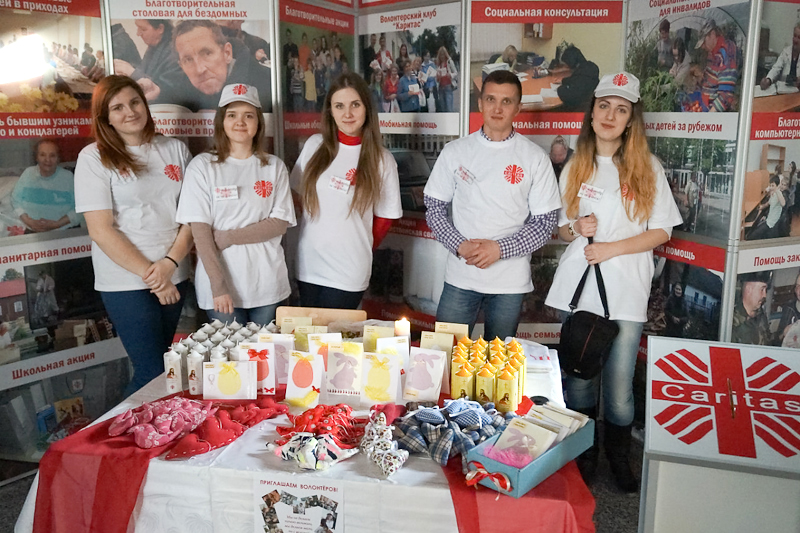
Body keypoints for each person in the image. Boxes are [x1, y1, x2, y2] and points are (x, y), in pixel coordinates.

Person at [544, 72, 682, 492]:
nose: (609, 115)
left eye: (621, 109)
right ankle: (585, 458)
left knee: (620, 387)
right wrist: (576, 228)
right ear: (592, 113)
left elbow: (662, 231)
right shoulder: (577, 165)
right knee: (580, 377)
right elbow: (561, 229)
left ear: (630, 120)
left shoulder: (647, 167)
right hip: (581, 290)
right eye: (604, 106)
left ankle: (619, 460)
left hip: (626, 292)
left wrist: (610, 248)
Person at [74, 75, 193, 395]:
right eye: (118, 108)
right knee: (151, 373)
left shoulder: (174, 149)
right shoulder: (93, 157)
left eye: (135, 102)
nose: (130, 111)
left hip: (174, 272)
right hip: (126, 281)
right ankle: (116, 428)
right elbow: (100, 230)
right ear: (106, 117)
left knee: (162, 370)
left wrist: (169, 265)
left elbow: (192, 217)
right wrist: (154, 276)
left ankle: (151, 427)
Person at [424, 70, 560, 341]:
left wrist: (499, 249)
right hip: (461, 277)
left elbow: (545, 223)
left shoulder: (534, 158)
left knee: (497, 361)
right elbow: (434, 209)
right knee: (444, 353)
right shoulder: (455, 151)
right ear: (480, 103)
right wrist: (459, 245)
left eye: (506, 101)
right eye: (491, 99)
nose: (497, 108)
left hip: (509, 283)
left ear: (518, 108)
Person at [177, 84, 295, 325]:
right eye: (232, 115)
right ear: (222, 121)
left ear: (258, 123)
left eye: (248, 115)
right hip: (220, 288)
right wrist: (218, 286)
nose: (240, 122)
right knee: (230, 350)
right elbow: (200, 231)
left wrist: (229, 237)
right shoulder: (202, 166)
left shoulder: (274, 166)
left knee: (264, 348)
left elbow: (279, 224)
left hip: (267, 284)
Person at [290, 73, 402, 309]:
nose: (347, 114)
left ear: (367, 108)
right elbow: (296, 196)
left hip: (348, 270)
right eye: (339, 106)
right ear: (330, 111)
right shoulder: (314, 145)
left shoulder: (382, 160)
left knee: (333, 332)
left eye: (355, 105)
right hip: (309, 265)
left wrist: (357, 245)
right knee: (307, 332)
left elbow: (385, 219)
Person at [174, 20, 272, 112]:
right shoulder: (178, 95)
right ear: (181, 66)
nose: (200, 69)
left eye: (207, 53)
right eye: (188, 60)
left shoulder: (270, 84)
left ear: (227, 53)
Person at [11, 139, 82, 233]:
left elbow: (80, 208)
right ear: (36, 157)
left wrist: (57, 224)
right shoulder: (28, 174)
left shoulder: (68, 177)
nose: (47, 160)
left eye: (52, 155)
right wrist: (29, 221)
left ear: (58, 158)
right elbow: (15, 201)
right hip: (31, 230)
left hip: (63, 232)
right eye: (42, 155)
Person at [113, 20, 188, 105]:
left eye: (143, 29)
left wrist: (132, 72)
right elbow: (145, 72)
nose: (138, 33)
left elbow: (165, 90)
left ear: (160, 28)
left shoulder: (174, 51)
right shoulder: (154, 45)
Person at [696, 19, 739, 112]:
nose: (702, 46)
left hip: (714, 111)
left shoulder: (727, 53)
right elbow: (711, 79)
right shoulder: (712, 52)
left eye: (704, 42)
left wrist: (710, 116)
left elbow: (726, 95)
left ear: (712, 34)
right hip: (703, 105)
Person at [732, 271, 771, 345]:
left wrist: (781, 335)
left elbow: (768, 341)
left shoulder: (761, 315)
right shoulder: (731, 319)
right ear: (749, 289)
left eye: (765, 290)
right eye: (762, 290)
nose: (764, 295)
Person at [557, 46, 599, 112]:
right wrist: (563, 81)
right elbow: (575, 79)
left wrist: (559, 89)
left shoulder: (581, 77)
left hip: (578, 110)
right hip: (589, 107)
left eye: (567, 64)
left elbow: (569, 96)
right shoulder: (588, 68)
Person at [761, 24, 800, 89]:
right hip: (783, 90)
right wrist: (768, 80)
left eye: (799, 37)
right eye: (795, 36)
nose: (795, 40)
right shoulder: (786, 52)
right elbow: (776, 68)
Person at [747, 175, 786, 240]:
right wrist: (761, 207)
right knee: (755, 228)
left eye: (773, 186)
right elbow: (768, 203)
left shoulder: (778, 193)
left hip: (771, 223)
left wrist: (777, 190)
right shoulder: (773, 194)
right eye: (770, 185)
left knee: (753, 235)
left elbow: (783, 203)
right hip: (768, 220)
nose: (771, 187)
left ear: (777, 186)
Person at [778, 272, 800, 346]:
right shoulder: (789, 309)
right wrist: (784, 333)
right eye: (797, 286)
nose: (799, 290)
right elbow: (776, 340)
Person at [436, 47, 458, 113]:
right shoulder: (439, 64)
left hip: (448, 86)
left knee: (449, 108)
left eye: (443, 54)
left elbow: (455, 72)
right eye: (441, 55)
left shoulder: (449, 62)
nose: (442, 56)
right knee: (443, 108)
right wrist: (438, 77)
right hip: (441, 87)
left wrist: (450, 75)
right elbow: (437, 79)